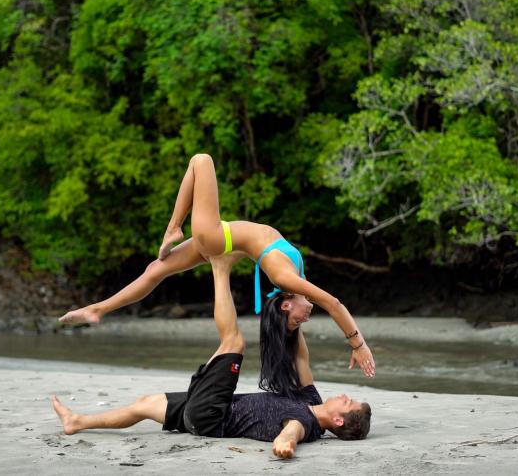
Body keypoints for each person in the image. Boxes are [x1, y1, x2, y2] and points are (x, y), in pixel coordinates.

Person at [59, 153, 376, 379]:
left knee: (201, 161)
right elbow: (299, 344)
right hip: (220, 236)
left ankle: (173, 227)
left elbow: (333, 303)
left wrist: (358, 344)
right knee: (155, 271)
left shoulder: (284, 279)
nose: (306, 317)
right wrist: (333, 353)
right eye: (300, 321)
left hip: (216, 238)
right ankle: (98, 310)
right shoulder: (292, 281)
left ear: (285, 305)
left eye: (296, 321)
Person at [50, 254, 372, 458]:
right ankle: (77, 422)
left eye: (348, 402)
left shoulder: (304, 422)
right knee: (145, 404)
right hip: (208, 414)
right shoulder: (309, 399)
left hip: (212, 415)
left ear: (339, 420)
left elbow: (290, 433)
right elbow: (300, 360)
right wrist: (294, 321)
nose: (344, 395)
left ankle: (219, 267)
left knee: (233, 341)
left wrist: (286, 445)